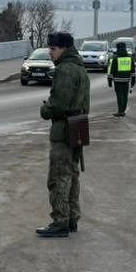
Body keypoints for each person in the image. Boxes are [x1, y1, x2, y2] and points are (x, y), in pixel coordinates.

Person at [36, 31, 91, 238]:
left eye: (53, 48)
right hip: (78, 125)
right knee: (72, 174)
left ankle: (59, 221)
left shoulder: (65, 70)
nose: (50, 53)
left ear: (64, 49)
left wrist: (45, 110)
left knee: (59, 177)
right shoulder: (79, 68)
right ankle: (72, 218)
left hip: (64, 128)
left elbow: (59, 103)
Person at [107, 40, 136, 116]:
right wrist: (133, 80)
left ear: (117, 48)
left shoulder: (114, 58)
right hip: (127, 80)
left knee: (119, 95)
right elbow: (133, 70)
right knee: (125, 95)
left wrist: (109, 81)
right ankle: (123, 109)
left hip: (117, 80)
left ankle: (120, 111)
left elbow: (111, 70)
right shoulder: (130, 57)